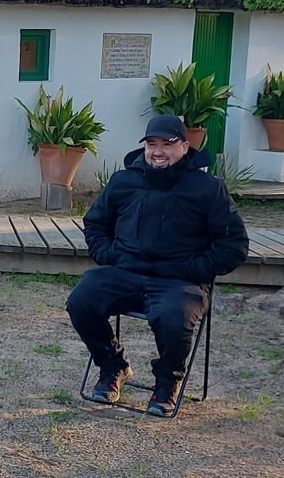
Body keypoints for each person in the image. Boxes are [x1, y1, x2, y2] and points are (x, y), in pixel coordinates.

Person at [68, 114, 249, 416]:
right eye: (152, 144)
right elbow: (95, 224)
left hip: (179, 281)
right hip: (125, 272)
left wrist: (192, 269)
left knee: (174, 317)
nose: (158, 151)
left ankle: (167, 382)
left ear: (185, 147)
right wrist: (110, 255)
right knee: (81, 300)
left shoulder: (208, 189)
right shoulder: (123, 181)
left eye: (167, 144)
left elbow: (234, 246)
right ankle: (113, 367)